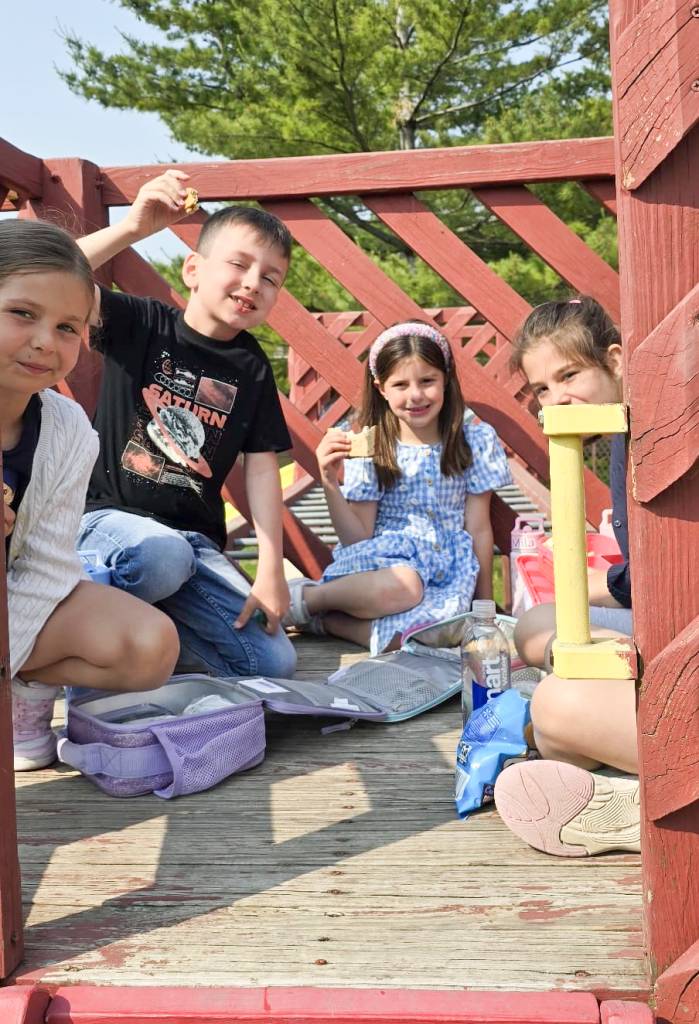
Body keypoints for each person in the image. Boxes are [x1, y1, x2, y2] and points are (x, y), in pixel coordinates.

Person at [75, 170, 296, 680]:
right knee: (161, 558)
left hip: (192, 546)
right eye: (239, 264)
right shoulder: (141, 323)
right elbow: (45, 272)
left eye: (271, 278)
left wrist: (270, 568)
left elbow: (262, 467)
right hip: (106, 524)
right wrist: (132, 228)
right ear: (193, 269)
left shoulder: (251, 367)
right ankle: (83, 632)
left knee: (272, 663)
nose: (253, 283)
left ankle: (153, 646)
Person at [1, 219, 180, 771]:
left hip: (17, 598)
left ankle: (24, 683)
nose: (44, 341)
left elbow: (48, 567)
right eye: (22, 313)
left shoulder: (69, 428)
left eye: (67, 327)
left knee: (149, 644)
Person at [493, 296, 640, 857]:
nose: (556, 399)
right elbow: (650, 572)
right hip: (659, 613)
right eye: (542, 389)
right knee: (535, 625)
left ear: (616, 361)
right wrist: (595, 587)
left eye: (569, 375)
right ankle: (619, 774)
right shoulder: (622, 434)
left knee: (553, 710)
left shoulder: (663, 433)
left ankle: (643, 804)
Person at [282, 322, 512, 654]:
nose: (415, 395)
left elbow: (478, 528)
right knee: (406, 585)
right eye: (400, 384)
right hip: (383, 568)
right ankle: (306, 599)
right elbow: (358, 538)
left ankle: (325, 622)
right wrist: (329, 480)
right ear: (381, 388)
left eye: (427, 381)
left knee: (429, 636)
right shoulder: (373, 443)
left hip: (445, 571)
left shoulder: (473, 439)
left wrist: (484, 610)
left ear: (446, 378)